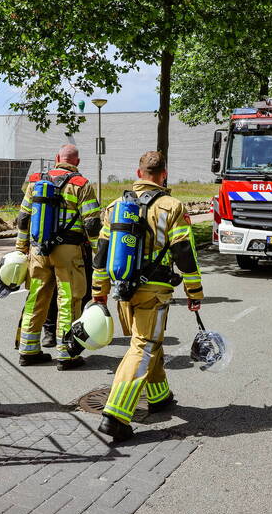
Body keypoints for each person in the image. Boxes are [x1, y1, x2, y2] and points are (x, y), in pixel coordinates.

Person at [91, 151, 203, 442]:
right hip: (154, 290)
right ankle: (115, 415)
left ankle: (159, 396)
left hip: (122, 289)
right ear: (163, 174)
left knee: (148, 340)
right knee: (144, 346)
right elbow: (184, 252)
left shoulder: (116, 206)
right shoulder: (173, 206)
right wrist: (194, 291)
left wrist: (98, 292)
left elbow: (101, 255)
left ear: (138, 173)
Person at [14, 145, 101, 368]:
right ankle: (67, 353)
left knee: (36, 297)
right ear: (77, 162)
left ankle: (28, 350)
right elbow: (92, 223)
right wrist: (96, 253)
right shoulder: (81, 185)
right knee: (69, 300)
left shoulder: (35, 181)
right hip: (68, 252)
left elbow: (23, 219)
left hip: (38, 250)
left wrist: (21, 247)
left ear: (56, 159)